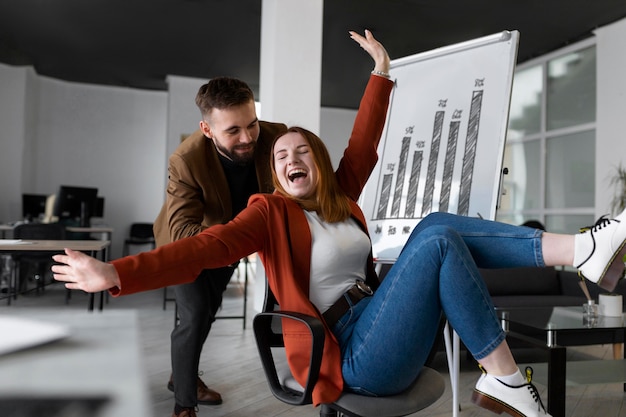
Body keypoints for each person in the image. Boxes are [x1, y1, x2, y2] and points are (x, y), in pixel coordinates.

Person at [52, 30, 626, 417]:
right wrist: (115, 274)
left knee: (435, 230)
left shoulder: (339, 200)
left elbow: (362, 144)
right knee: (438, 240)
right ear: (271, 177)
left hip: (379, 322)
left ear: (317, 165)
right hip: (343, 352)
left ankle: (576, 258)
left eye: (298, 152)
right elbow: (200, 247)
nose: (286, 157)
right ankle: (558, 288)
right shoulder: (268, 213)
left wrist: (382, 73)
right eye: (279, 159)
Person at [152, 73, 286, 416]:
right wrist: (239, 239)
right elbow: (182, 231)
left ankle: (181, 376)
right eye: (233, 131)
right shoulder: (186, 160)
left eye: (251, 124)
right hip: (188, 245)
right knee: (194, 315)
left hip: (230, 243)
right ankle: (184, 404)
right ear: (207, 129)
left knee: (208, 312)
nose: (247, 137)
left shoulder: (274, 136)